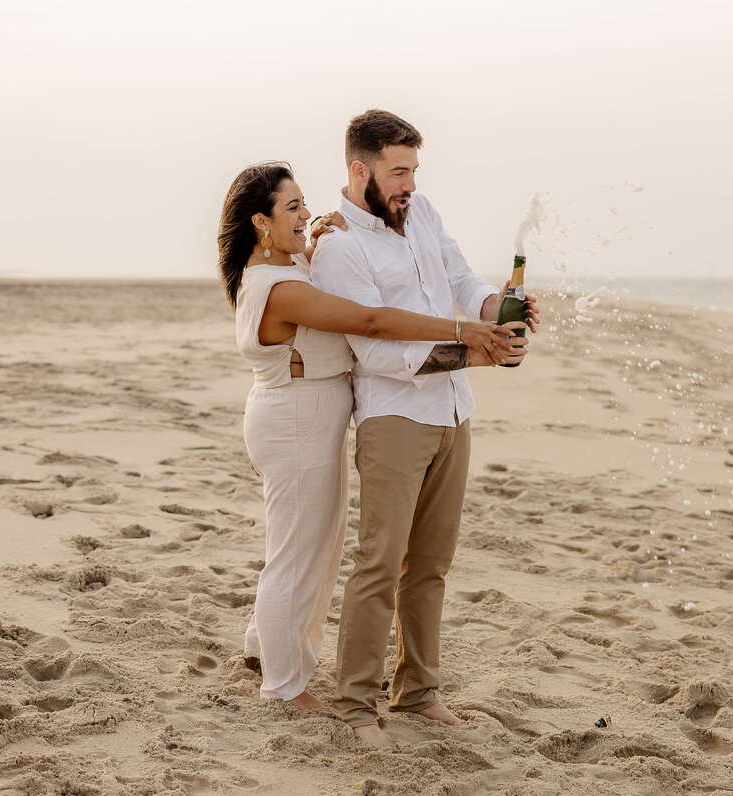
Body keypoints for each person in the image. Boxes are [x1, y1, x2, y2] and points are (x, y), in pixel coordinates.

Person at [217, 161, 524, 712]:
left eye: (305, 203)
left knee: (310, 547)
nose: (307, 213)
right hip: (295, 419)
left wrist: (311, 241)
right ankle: (284, 687)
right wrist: (464, 333)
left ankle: (265, 647)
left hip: (307, 414)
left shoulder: (284, 267)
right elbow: (372, 323)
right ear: (261, 222)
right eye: (293, 208)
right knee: (298, 552)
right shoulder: (277, 286)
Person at [312, 110, 539, 746]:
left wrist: (498, 308)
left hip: (452, 411)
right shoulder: (338, 247)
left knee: (431, 564)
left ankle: (417, 692)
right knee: (380, 562)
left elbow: (461, 279)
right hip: (394, 418)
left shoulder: (423, 212)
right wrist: (479, 352)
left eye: (414, 169)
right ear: (360, 170)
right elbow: (377, 349)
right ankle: (356, 703)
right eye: (398, 170)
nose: (410, 182)